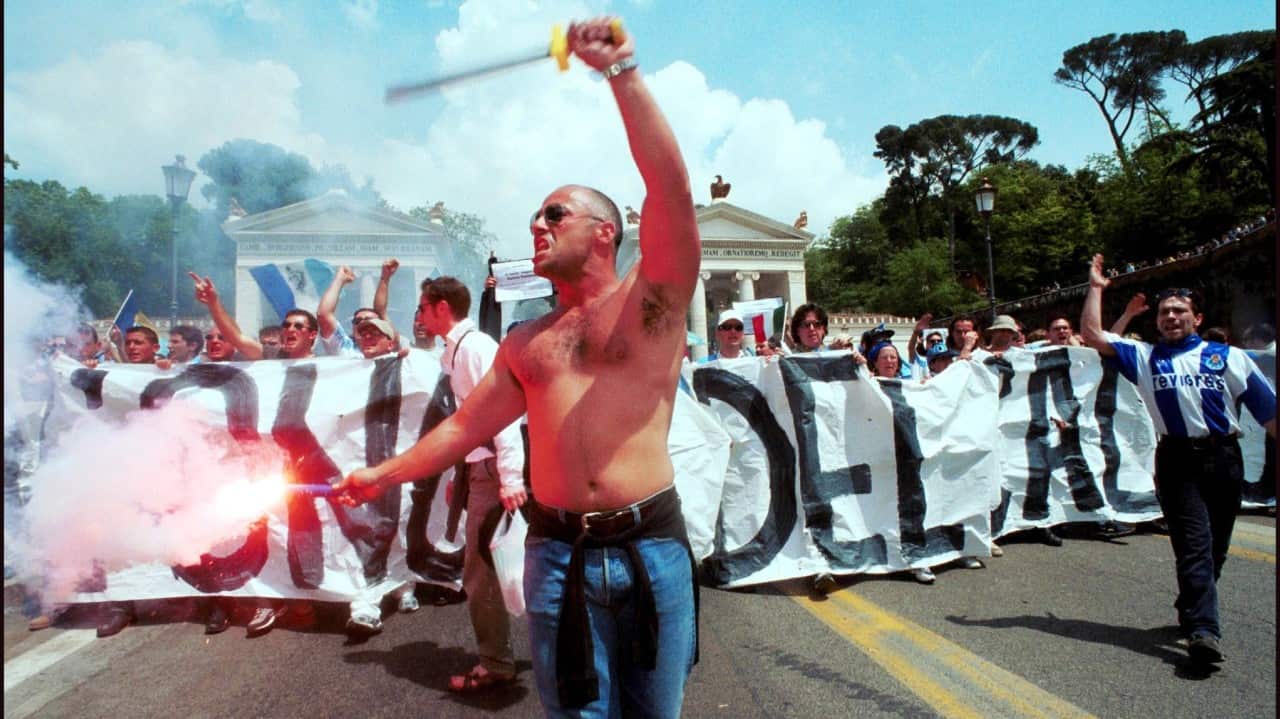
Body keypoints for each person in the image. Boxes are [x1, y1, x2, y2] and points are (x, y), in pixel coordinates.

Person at [337, 18, 700, 716]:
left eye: (554, 213)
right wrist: (379, 475)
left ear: (605, 232)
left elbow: (670, 187)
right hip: (557, 551)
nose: (537, 222)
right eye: (534, 214)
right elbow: (464, 428)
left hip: (652, 544)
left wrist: (620, 72)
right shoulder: (527, 341)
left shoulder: (653, 297)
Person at [1080, 254, 1276, 665]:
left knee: (1216, 548)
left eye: (1179, 311)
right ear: (1157, 322)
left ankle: (1193, 605)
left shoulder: (1230, 357)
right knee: (1194, 546)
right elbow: (1094, 335)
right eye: (1165, 312)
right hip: (1176, 462)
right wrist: (1096, 288)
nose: (1171, 316)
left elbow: (1270, 413)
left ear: (1197, 318)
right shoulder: (1144, 357)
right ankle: (1203, 631)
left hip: (1224, 459)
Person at [410, 276, 528, 687]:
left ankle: (496, 665)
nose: (420, 317)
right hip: (485, 468)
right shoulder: (460, 349)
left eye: (424, 308)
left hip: (497, 469)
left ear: (442, 308)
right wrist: (462, 472)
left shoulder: (474, 349)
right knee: (507, 563)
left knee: (481, 570)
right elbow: (470, 422)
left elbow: (505, 415)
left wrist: (509, 477)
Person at [191, 272, 318, 361]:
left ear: (312, 334)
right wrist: (214, 303)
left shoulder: (326, 364)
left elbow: (324, 315)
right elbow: (236, 338)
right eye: (286, 325)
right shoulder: (272, 355)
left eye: (298, 326)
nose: (290, 329)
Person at [317, 260, 399, 358]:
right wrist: (339, 279)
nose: (362, 323)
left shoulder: (392, 351)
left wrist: (385, 278)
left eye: (369, 321)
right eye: (357, 321)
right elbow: (324, 315)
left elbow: (381, 310)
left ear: (390, 344)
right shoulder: (345, 349)